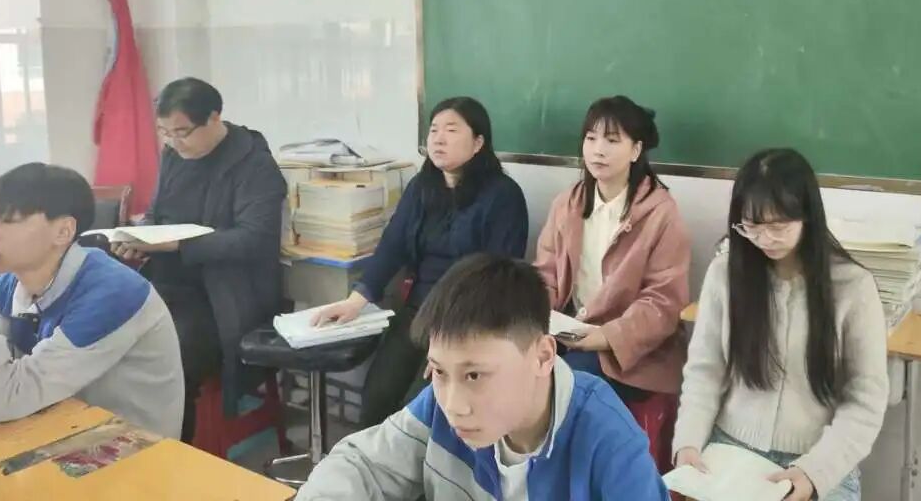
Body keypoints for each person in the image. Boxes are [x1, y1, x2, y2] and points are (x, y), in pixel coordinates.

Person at [296, 253, 670, 501]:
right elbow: (361, 465)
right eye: (439, 371)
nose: (454, 405)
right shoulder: (438, 405)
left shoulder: (608, 439)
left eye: (475, 375)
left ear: (542, 356)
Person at [672, 148, 889, 501]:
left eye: (778, 227)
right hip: (730, 450)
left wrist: (813, 473)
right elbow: (704, 372)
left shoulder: (852, 286)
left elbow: (866, 401)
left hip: (817, 460)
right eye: (752, 226)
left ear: (808, 217)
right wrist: (688, 444)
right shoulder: (725, 275)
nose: (764, 239)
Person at [312, 97, 528, 427]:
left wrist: (455, 345)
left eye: (451, 130)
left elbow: (499, 281)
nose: (439, 139)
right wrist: (355, 301)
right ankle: (370, 462)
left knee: (415, 413)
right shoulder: (422, 187)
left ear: (478, 142)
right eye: (434, 130)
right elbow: (392, 246)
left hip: (467, 322)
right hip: (417, 313)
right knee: (376, 400)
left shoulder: (504, 196)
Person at [110, 77, 287, 440]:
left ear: (214, 117)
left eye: (182, 132)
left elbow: (254, 239)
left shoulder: (255, 165)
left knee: (170, 359)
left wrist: (178, 245)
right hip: (167, 286)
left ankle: (175, 453)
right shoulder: (173, 155)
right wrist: (139, 239)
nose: (174, 142)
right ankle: (127, 446)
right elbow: (157, 214)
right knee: (109, 339)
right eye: (164, 133)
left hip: (226, 297)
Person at [0, 163, 183, 438]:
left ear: (63, 232)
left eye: (9, 220)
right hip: (51, 427)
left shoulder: (113, 293)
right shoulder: (6, 285)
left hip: (129, 447)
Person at [534, 95, 690, 402]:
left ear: (636, 150)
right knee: (511, 370)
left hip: (632, 355)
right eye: (591, 138)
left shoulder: (661, 214)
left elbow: (663, 302)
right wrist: (536, 317)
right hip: (568, 334)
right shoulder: (567, 204)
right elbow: (545, 274)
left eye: (612, 140)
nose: (598, 150)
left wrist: (606, 336)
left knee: (559, 387)